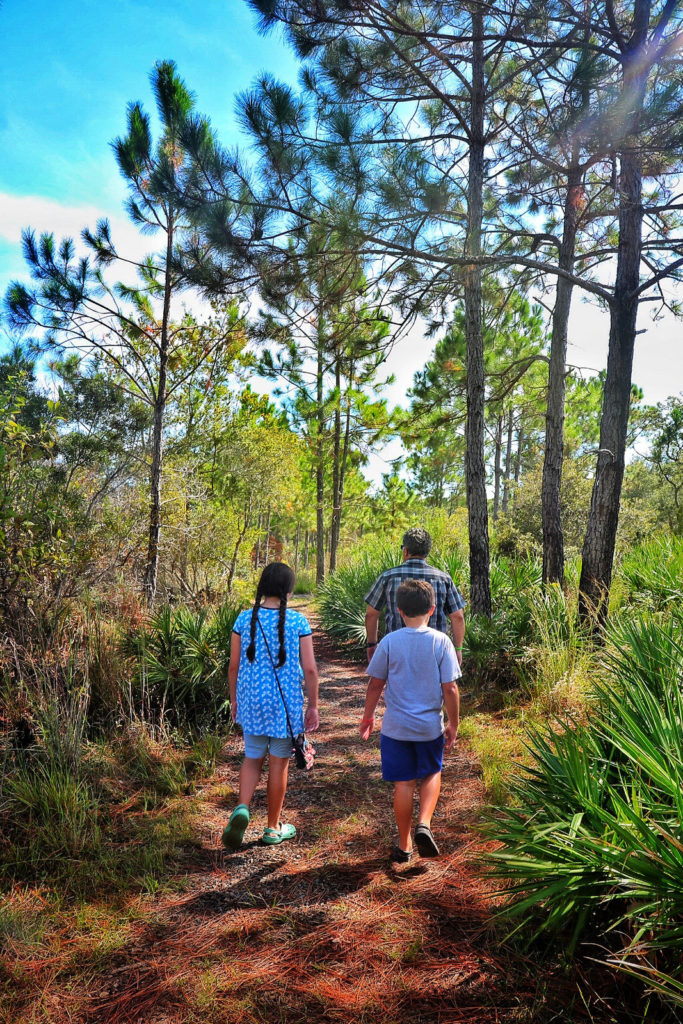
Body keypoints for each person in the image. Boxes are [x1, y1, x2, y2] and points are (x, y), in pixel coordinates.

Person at [359, 579, 461, 862]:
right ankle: (424, 824)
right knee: (430, 773)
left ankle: (404, 845)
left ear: (400, 610)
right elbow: (450, 688)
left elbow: (376, 684)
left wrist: (368, 716)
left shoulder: (390, 641)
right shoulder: (442, 641)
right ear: (432, 609)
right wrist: (453, 723)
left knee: (403, 784)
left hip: (396, 728)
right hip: (429, 728)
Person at [222, 562, 320, 850]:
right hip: (285, 707)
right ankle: (273, 827)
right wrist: (313, 705)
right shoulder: (298, 622)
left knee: (252, 757)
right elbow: (311, 669)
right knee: (279, 764)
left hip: (252, 702)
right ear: (289, 589)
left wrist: (234, 700)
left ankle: (242, 808)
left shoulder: (243, 619)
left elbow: (233, 666)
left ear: (263, 587)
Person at [364, 527, 466, 664]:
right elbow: (458, 617)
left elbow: (371, 614)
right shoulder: (444, 579)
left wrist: (372, 645)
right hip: (435, 651)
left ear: (405, 551)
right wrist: (457, 648)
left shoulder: (388, 577)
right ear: (427, 552)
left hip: (397, 651)